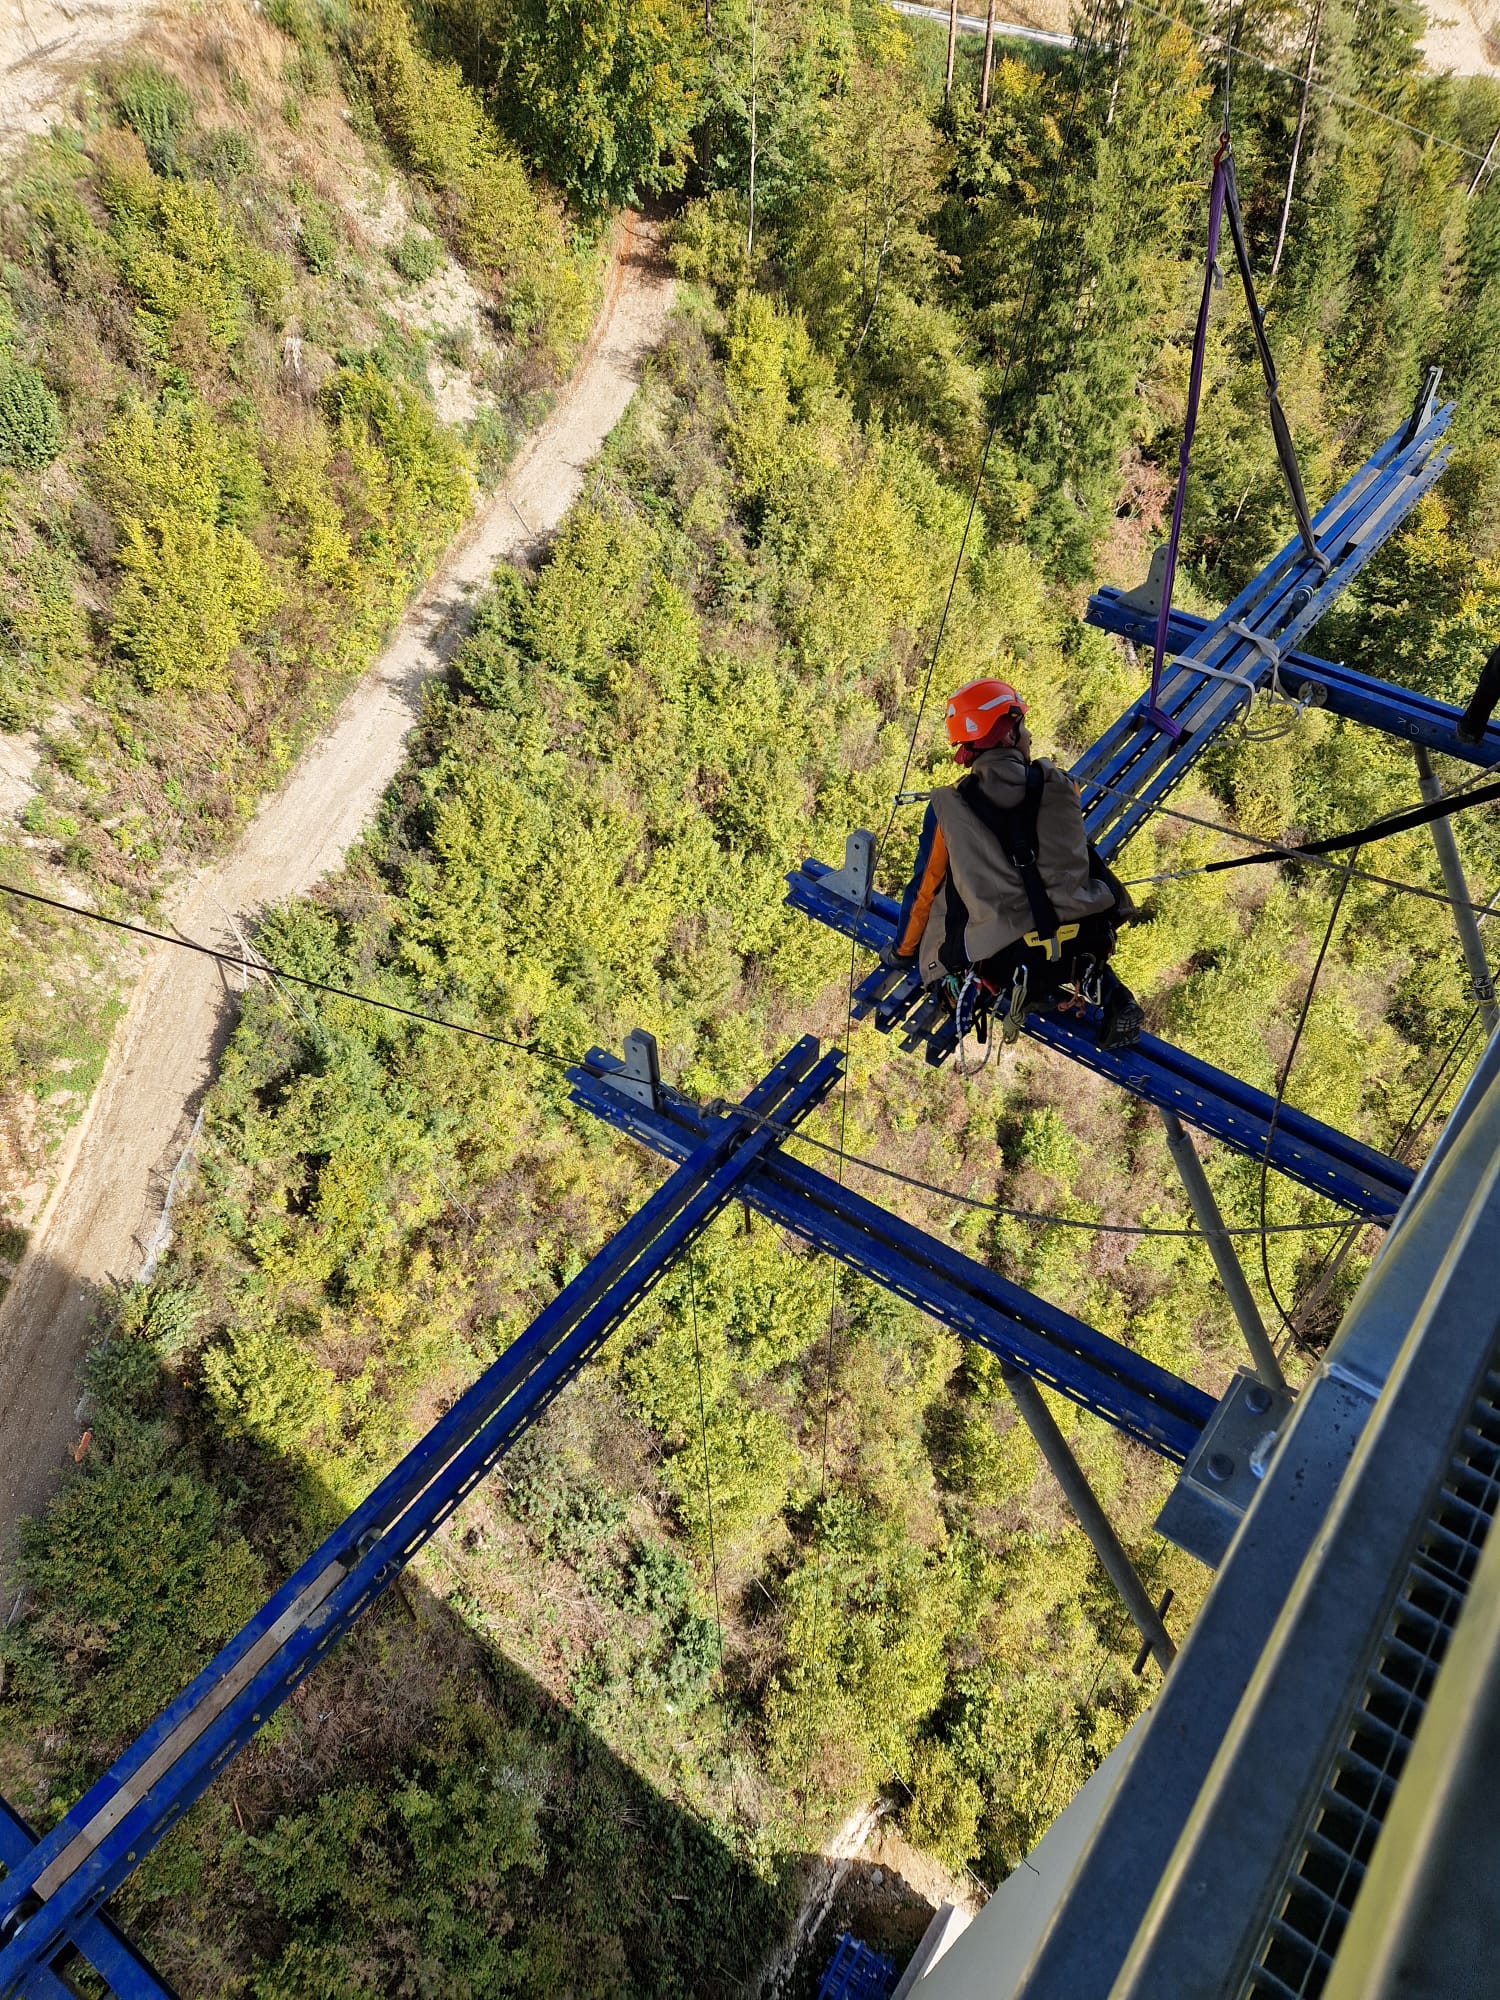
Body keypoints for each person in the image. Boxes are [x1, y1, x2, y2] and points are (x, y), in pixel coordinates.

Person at [889, 677, 1144, 1050]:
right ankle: (1116, 995)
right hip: (1083, 937)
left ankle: (983, 988)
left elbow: (923, 891)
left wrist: (903, 951)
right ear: (1008, 735)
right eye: (1022, 727)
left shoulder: (950, 808)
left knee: (952, 890)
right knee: (1078, 867)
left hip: (1006, 958)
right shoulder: (1062, 785)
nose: (1028, 737)